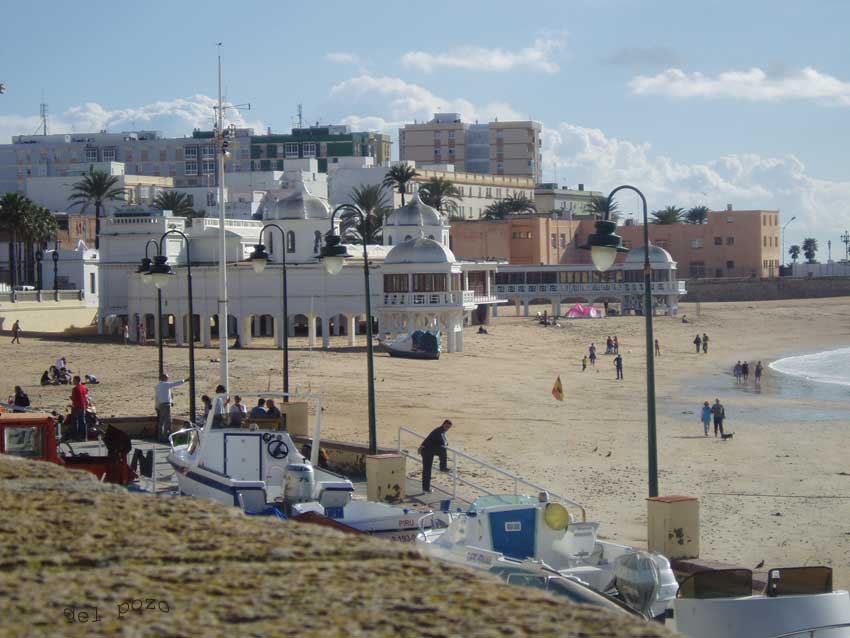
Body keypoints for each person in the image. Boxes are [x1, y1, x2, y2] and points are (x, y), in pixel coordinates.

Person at [419, 419, 452, 493]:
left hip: (428, 450)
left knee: (427, 470)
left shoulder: (441, 431)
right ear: (443, 424)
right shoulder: (439, 431)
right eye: (446, 426)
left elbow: (444, 442)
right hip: (427, 450)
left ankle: (425, 488)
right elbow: (444, 443)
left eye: (448, 427)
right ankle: (443, 467)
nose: (447, 428)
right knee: (443, 450)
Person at [155, 373, 186, 443]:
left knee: (161, 421)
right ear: (163, 378)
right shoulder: (165, 384)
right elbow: (175, 383)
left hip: (160, 405)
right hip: (166, 405)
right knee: (167, 421)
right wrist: (185, 380)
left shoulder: (157, 386)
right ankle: (166, 437)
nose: (167, 379)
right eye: (166, 378)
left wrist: (156, 406)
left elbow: (157, 397)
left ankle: (160, 437)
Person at [70, 376, 88, 441]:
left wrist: (71, 399)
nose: (73, 381)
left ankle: (76, 437)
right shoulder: (84, 388)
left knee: (75, 422)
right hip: (83, 407)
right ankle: (84, 436)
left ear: (77, 380)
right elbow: (85, 397)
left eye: (74, 380)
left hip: (77, 407)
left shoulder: (75, 389)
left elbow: (74, 399)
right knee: (83, 422)